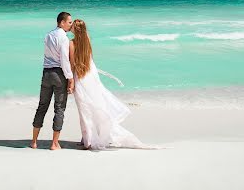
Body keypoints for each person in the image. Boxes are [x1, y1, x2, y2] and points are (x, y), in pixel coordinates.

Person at [69, 18, 162, 150]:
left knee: (85, 109)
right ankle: (89, 137)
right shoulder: (87, 39)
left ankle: (88, 140)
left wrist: (70, 82)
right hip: (91, 75)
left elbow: (72, 64)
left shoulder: (71, 44)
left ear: (74, 29)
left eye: (72, 25)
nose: (70, 26)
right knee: (96, 105)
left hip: (81, 77)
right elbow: (91, 59)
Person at [31, 11, 74, 150]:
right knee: (59, 108)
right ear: (61, 22)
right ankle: (54, 143)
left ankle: (34, 141)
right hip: (59, 73)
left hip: (46, 73)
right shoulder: (64, 38)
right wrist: (70, 78)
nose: (71, 24)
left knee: (42, 106)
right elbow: (64, 60)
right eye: (69, 22)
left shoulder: (48, 35)